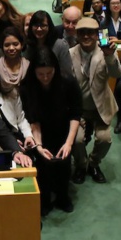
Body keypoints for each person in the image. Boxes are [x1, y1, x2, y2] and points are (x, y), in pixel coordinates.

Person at [21, 47, 81, 215]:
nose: (45, 78)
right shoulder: (27, 86)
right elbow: (33, 119)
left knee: (64, 163)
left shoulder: (68, 82)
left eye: (49, 73)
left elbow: (75, 114)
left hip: (63, 127)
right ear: (34, 72)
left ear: (55, 68)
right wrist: (39, 146)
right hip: (40, 130)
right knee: (42, 164)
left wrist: (68, 143)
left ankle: (63, 197)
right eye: (41, 74)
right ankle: (45, 198)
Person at [67, 16, 121, 184]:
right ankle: (81, 165)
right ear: (77, 35)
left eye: (90, 33)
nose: (86, 36)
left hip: (101, 107)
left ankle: (93, 164)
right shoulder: (69, 54)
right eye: (82, 32)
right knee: (76, 140)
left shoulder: (106, 51)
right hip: (79, 109)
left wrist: (110, 56)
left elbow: (117, 74)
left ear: (97, 34)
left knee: (105, 139)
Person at [25, 10, 73, 78]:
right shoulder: (28, 46)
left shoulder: (61, 45)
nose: (39, 29)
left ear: (49, 27)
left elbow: (67, 73)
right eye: (36, 25)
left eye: (43, 25)